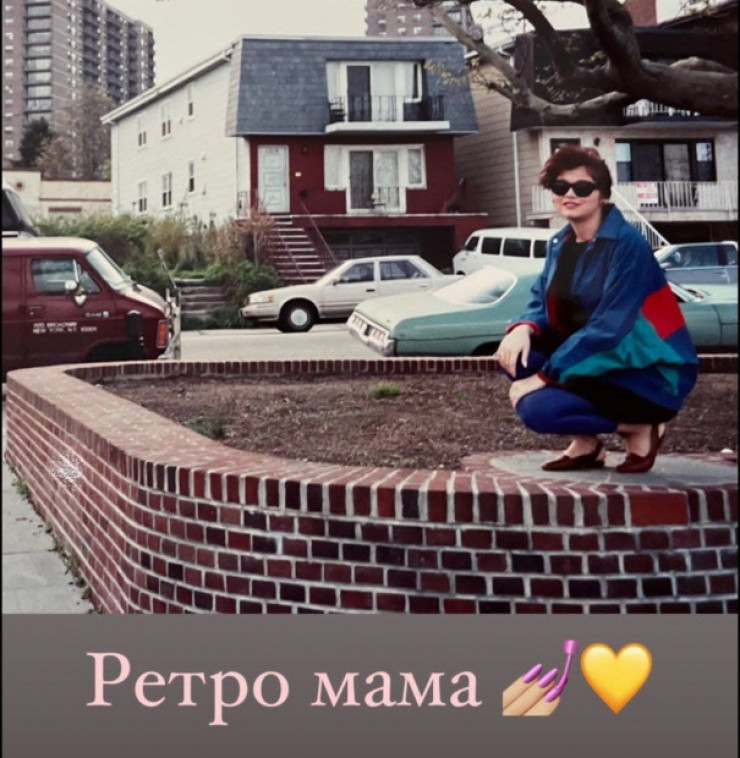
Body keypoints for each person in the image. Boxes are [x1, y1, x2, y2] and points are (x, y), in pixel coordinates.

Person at [496, 146, 698, 474]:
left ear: (602, 194)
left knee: (538, 410)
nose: (570, 194)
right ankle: (587, 445)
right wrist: (523, 328)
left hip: (647, 371)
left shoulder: (627, 245)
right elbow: (540, 301)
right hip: (597, 363)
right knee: (517, 355)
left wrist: (545, 376)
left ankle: (640, 427)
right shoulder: (561, 244)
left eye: (582, 187)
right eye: (561, 187)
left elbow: (610, 328)